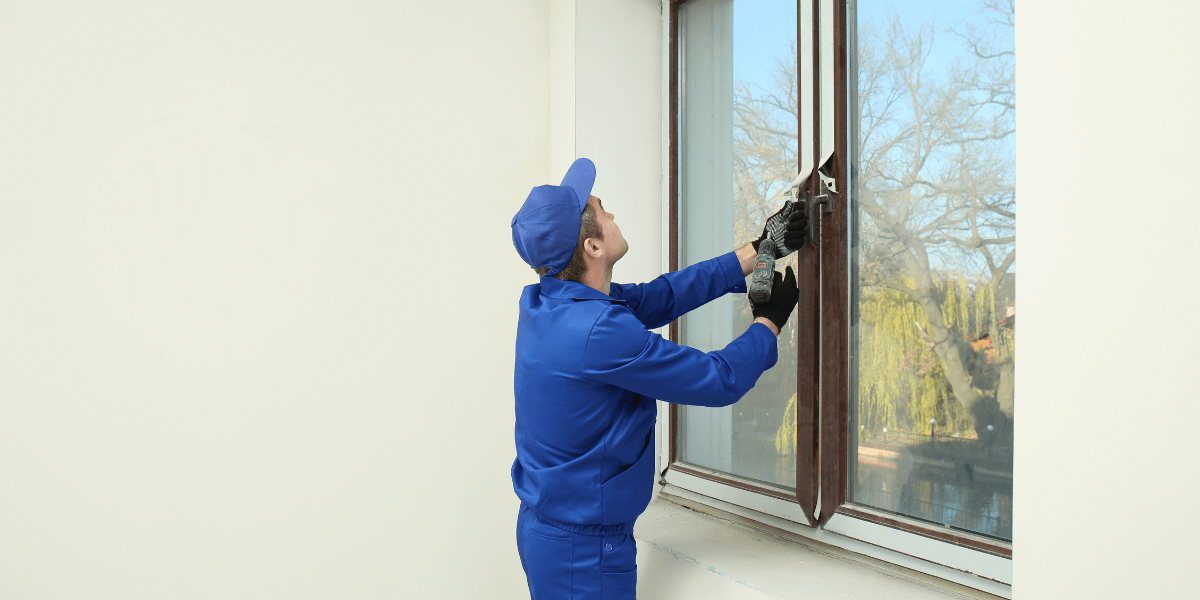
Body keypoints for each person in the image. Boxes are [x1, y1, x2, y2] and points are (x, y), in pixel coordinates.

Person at [509, 158, 806, 599]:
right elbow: (715, 380)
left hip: (555, 533)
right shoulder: (596, 331)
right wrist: (768, 324)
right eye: (603, 209)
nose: (612, 214)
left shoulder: (550, 302)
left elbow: (662, 296)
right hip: (583, 551)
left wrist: (760, 248)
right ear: (592, 247)